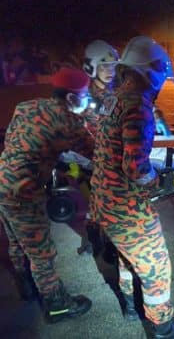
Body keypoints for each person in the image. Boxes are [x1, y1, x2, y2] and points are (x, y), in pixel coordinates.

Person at [89, 36, 174, 338]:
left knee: (126, 257)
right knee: (156, 266)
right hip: (126, 207)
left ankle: (132, 307)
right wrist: (160, 180)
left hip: (104, 201)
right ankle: (163, 328)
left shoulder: (112, 100)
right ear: (152, 73)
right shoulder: (139, 107)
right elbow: (135, 167)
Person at [0, 67, 95, 323]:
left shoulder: (26, 106)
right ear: (72, 98)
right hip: (25, 192)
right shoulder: (69, 122)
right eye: (85, 95)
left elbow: (25, 139)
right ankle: (57, 306)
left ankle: (26, 287)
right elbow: (94, 153)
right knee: (41, 253)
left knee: (17, 241)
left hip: (3, 181)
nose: (87, 99)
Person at [78, 39, 120, 256]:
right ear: (91, 67)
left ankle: (96, 234)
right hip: (95, 158)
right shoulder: (87, 96)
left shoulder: (114, 92)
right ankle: (104, 239)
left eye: (112, 65)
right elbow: (93, 132)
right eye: (104, 66)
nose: (109, 70)